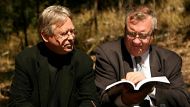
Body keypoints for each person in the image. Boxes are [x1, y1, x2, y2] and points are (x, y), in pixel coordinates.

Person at [95, 4, 190, 107]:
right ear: (124, 31)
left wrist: (151, 89)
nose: (136, 41)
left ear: (152, 36)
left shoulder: (169, 59)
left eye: (143, 36)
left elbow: (183, 100)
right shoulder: (108, 54)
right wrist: (123, 100)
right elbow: (100, 98)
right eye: (131, 34)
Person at [8, 5, 100, 107]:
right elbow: (17, 101)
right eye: (64, 33)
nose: (71, 37)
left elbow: (90, 99)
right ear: (45, 36)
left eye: (72, 32)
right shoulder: (26, 60)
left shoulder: (83, 61)